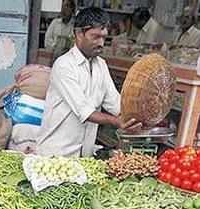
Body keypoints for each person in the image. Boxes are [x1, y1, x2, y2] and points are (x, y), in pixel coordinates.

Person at [36, 7, 141, 157]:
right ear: (79, 34)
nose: (101, 43)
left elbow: (115, 102)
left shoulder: (101, 65)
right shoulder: (64, 65)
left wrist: (134, 117)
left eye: (104, 37)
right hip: (56, 153)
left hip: (84, 154)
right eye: (95, 37)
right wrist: (116, 122)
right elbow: (84, 111)